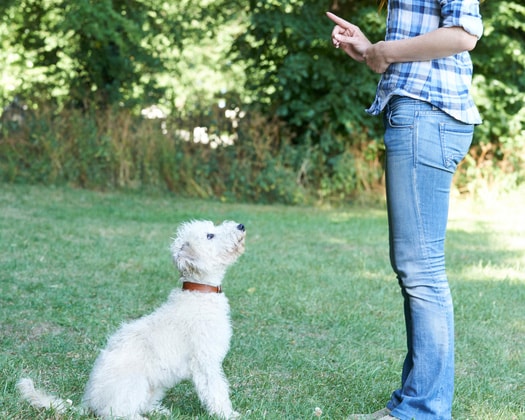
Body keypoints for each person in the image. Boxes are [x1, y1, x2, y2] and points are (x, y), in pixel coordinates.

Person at [326, 1, 483, 419]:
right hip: (418, 115)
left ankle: (422, 410)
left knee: (421, 269)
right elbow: (420, 47)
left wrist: (386, 51)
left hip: (426, 117)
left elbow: (465, 33)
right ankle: (416, 402)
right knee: (417, 268)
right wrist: (370, 50)